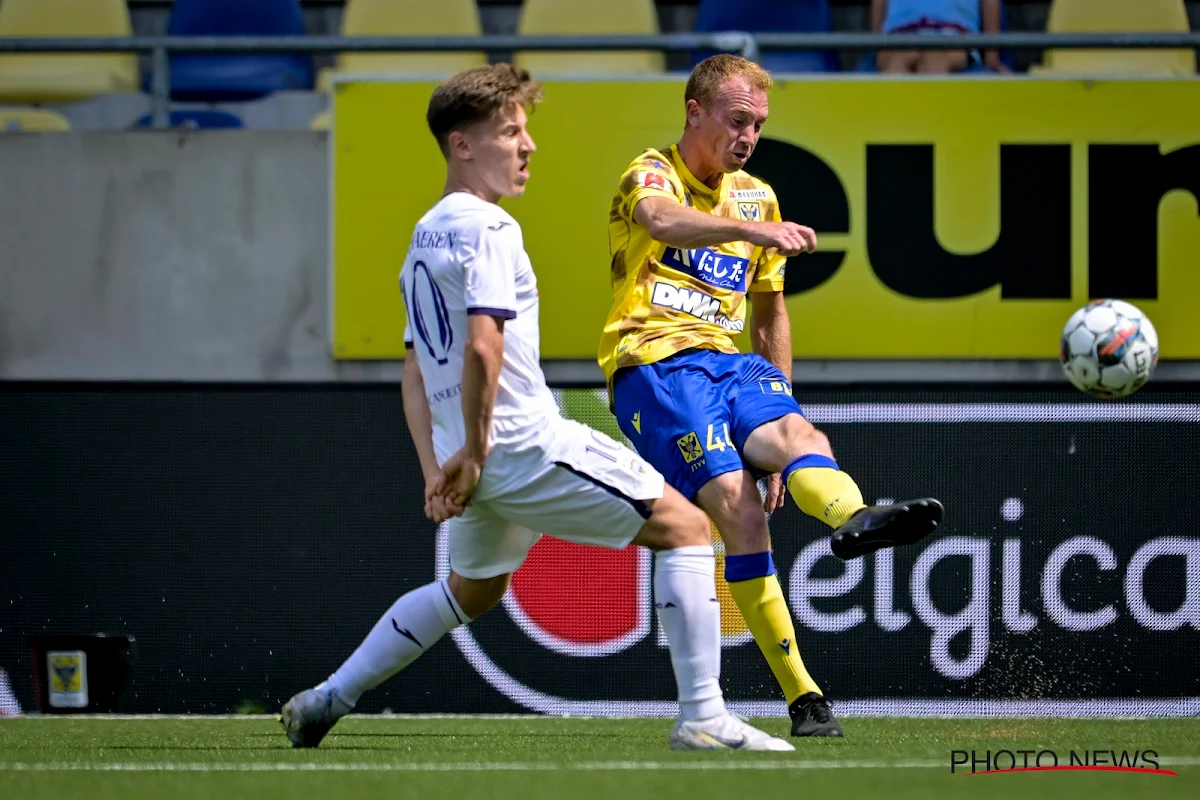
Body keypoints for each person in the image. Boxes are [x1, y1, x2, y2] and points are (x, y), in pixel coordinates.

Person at [280, 63, 792, 753]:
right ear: (463, 145)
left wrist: (440, 466)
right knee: (688, 528)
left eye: (526, 131)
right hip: (516, 443)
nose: (528, 147)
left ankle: (325, 699)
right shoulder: (490, 229)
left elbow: (412, 367)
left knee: (471, 591)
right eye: (510, 133)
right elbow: (484, 351)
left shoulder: (425, 235)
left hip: (470, 455)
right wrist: (480, 453)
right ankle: (702, 715)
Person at [598, 54, 944, 737]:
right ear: (694, 111)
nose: (749, 136)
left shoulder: (758, 194)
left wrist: (776, 406)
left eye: (757, 124)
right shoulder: (651, 172)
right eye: (736, 120)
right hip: (654, 364)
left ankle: (853, 516)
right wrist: (752, 232)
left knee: (802, 440)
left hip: (731, 368)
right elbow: (663, 223)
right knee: (737, 508)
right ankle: (804, 696)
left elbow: (770, 314)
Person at [871, 0, 1010, 74]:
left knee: (934, 60)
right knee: (897, 61)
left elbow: (990, 2)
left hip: (952, 32)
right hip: (899, 31)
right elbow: (879, 3)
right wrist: (878, 44)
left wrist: (992, 58)